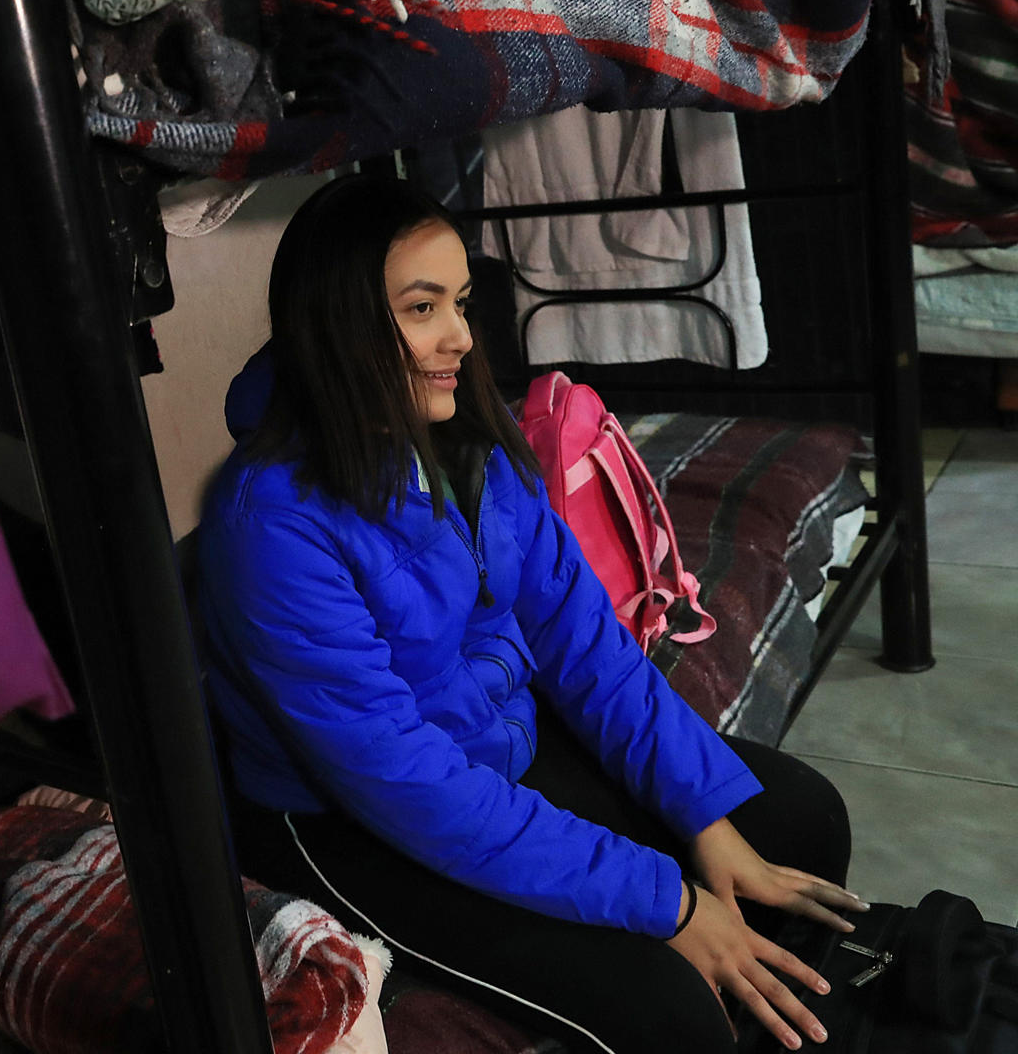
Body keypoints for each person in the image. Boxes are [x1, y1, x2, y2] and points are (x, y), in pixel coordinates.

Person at [196, 175, 863, 1054]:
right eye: (423, 307)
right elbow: (409, 784)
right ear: (338, 323)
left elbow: (587, 646)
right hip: (351, 819)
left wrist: (706, 822)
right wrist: (667, 902)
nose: (462, 338)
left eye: (461, 303)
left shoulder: (467, 447)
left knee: (799, 819)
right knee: (667, 1002)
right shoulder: (269, 525)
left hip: (494, 737)